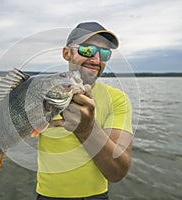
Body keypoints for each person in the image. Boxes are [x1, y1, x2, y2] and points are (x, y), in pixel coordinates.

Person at [36, 22, 133, 200]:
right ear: (67, 53)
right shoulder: (43, 92)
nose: (96, 60)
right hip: (48, 194)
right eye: (87, 50)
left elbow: (118, 172)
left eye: (104, 53)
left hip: (97, 196)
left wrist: (86, 129)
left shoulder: (118, 99)